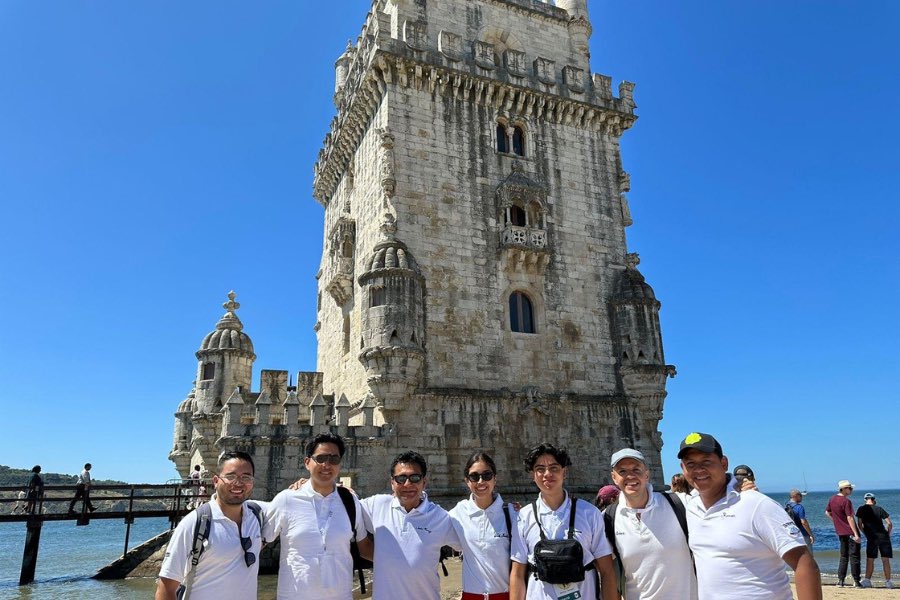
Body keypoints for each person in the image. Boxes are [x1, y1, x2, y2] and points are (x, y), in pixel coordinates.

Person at [678, 432, 821, 600]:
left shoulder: (756, 504)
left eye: (706, 461)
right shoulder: (690, 506)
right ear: (683, 469)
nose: (699, 469)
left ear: (724, 463)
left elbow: (804, 563)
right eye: (691, 464)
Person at [263, 433, 372, 600]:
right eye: (320, 458)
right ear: (307, 462)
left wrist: (408, 563)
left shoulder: (351, 501)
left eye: (333, 459)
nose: (327, 465)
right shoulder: (286, 500)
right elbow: (258, 543)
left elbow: (364, 547)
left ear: (339, 464)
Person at [510, 442, 617, 600]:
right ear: (533, 475)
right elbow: (517, 574)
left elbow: (607, 571)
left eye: (554, 468)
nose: (547, 474)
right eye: (540, 469)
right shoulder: (523, 517)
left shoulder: (590, 514)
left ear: (564, 472)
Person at [155, 451, 263, 600]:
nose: (238, 483)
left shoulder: (257, 516)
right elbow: (166, 587)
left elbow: (287, 506)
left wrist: (302, 484)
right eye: (230, 476)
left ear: (252, 482)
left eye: (246, 477)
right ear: (216, 480)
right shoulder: (194, 523)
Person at [360, 450, 459, 600]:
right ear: (392, 482)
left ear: (424, 482)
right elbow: (343, 506)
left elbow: (472, 546)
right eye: (401, 478)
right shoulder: (376, 505)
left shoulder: (440, 517)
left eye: (414, 478)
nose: (407, 484)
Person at [605, 448, 697, 600]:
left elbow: (715, 504)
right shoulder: (608, 518)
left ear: (646, 474)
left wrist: (735, 485)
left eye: (636, 469)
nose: (630, 476)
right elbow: (606, 573)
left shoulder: (680, 503)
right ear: (614, 477)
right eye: (622, 471)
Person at [447, 450, 521, 600]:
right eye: (474, 476)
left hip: (505, 596)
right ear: (467, 481)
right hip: (470, 596)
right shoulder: (457, 513)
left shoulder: (513, 514)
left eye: (486, 475)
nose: (480, 481)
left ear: (495, 479)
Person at [825, 479, 862, 587]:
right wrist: (855, 534)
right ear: (844, 489)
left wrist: (837, 522)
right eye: (850, 488)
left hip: (841, 532)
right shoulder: (846, 501)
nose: (851, 490)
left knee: (844, 556)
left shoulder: (832, 499)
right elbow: (850, 517)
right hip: (850, 531)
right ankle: (856, 581)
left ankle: (841, 580)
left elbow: (827, 512)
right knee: (854, 556)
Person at [856, 492, 893, 589]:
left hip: (872, 537)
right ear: (874, 499)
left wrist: (865, 533)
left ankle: (867, 580)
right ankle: (888, 582)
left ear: (865, 500)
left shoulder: (861, 509)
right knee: (885, 560)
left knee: (870, 559)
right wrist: (888, 534)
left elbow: (859, 525)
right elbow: (889, 523)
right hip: (883, 536)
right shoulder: (879, 509)